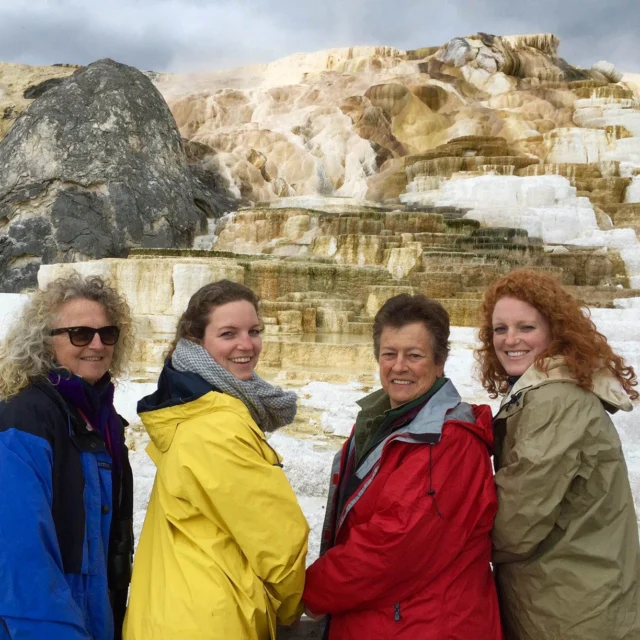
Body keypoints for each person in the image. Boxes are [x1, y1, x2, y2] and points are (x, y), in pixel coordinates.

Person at [303, 293, 503, 639]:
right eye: (389, 354)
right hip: (391, 621)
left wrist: (305, 592)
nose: (399, 366)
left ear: (440, 362)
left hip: (426, 626)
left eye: (414, 355)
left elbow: (391, 549)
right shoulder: (384, 422)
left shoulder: (447, 442)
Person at [123, 279, 309, 640]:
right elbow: (278, 541)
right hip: (213, 618)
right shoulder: (218, 425)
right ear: (196, 342)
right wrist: (292, 607)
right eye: (228, 333)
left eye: (254, 331)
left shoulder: (187, 409)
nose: (247, 345)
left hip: (171, 610)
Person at [476, 269, 640, 639]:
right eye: (500, 329)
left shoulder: (555, 402)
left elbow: (515, 525)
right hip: (575, 596)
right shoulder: (548, 390)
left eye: (526, 328)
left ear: (555, 330)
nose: (510, 339)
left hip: (571, 611)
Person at [0, 273, 135, 640]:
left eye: (108, 333)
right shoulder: (24, 418)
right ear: (43, 342)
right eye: (79, 334)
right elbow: (22, 560)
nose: (97, 344)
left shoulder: (99, 418)